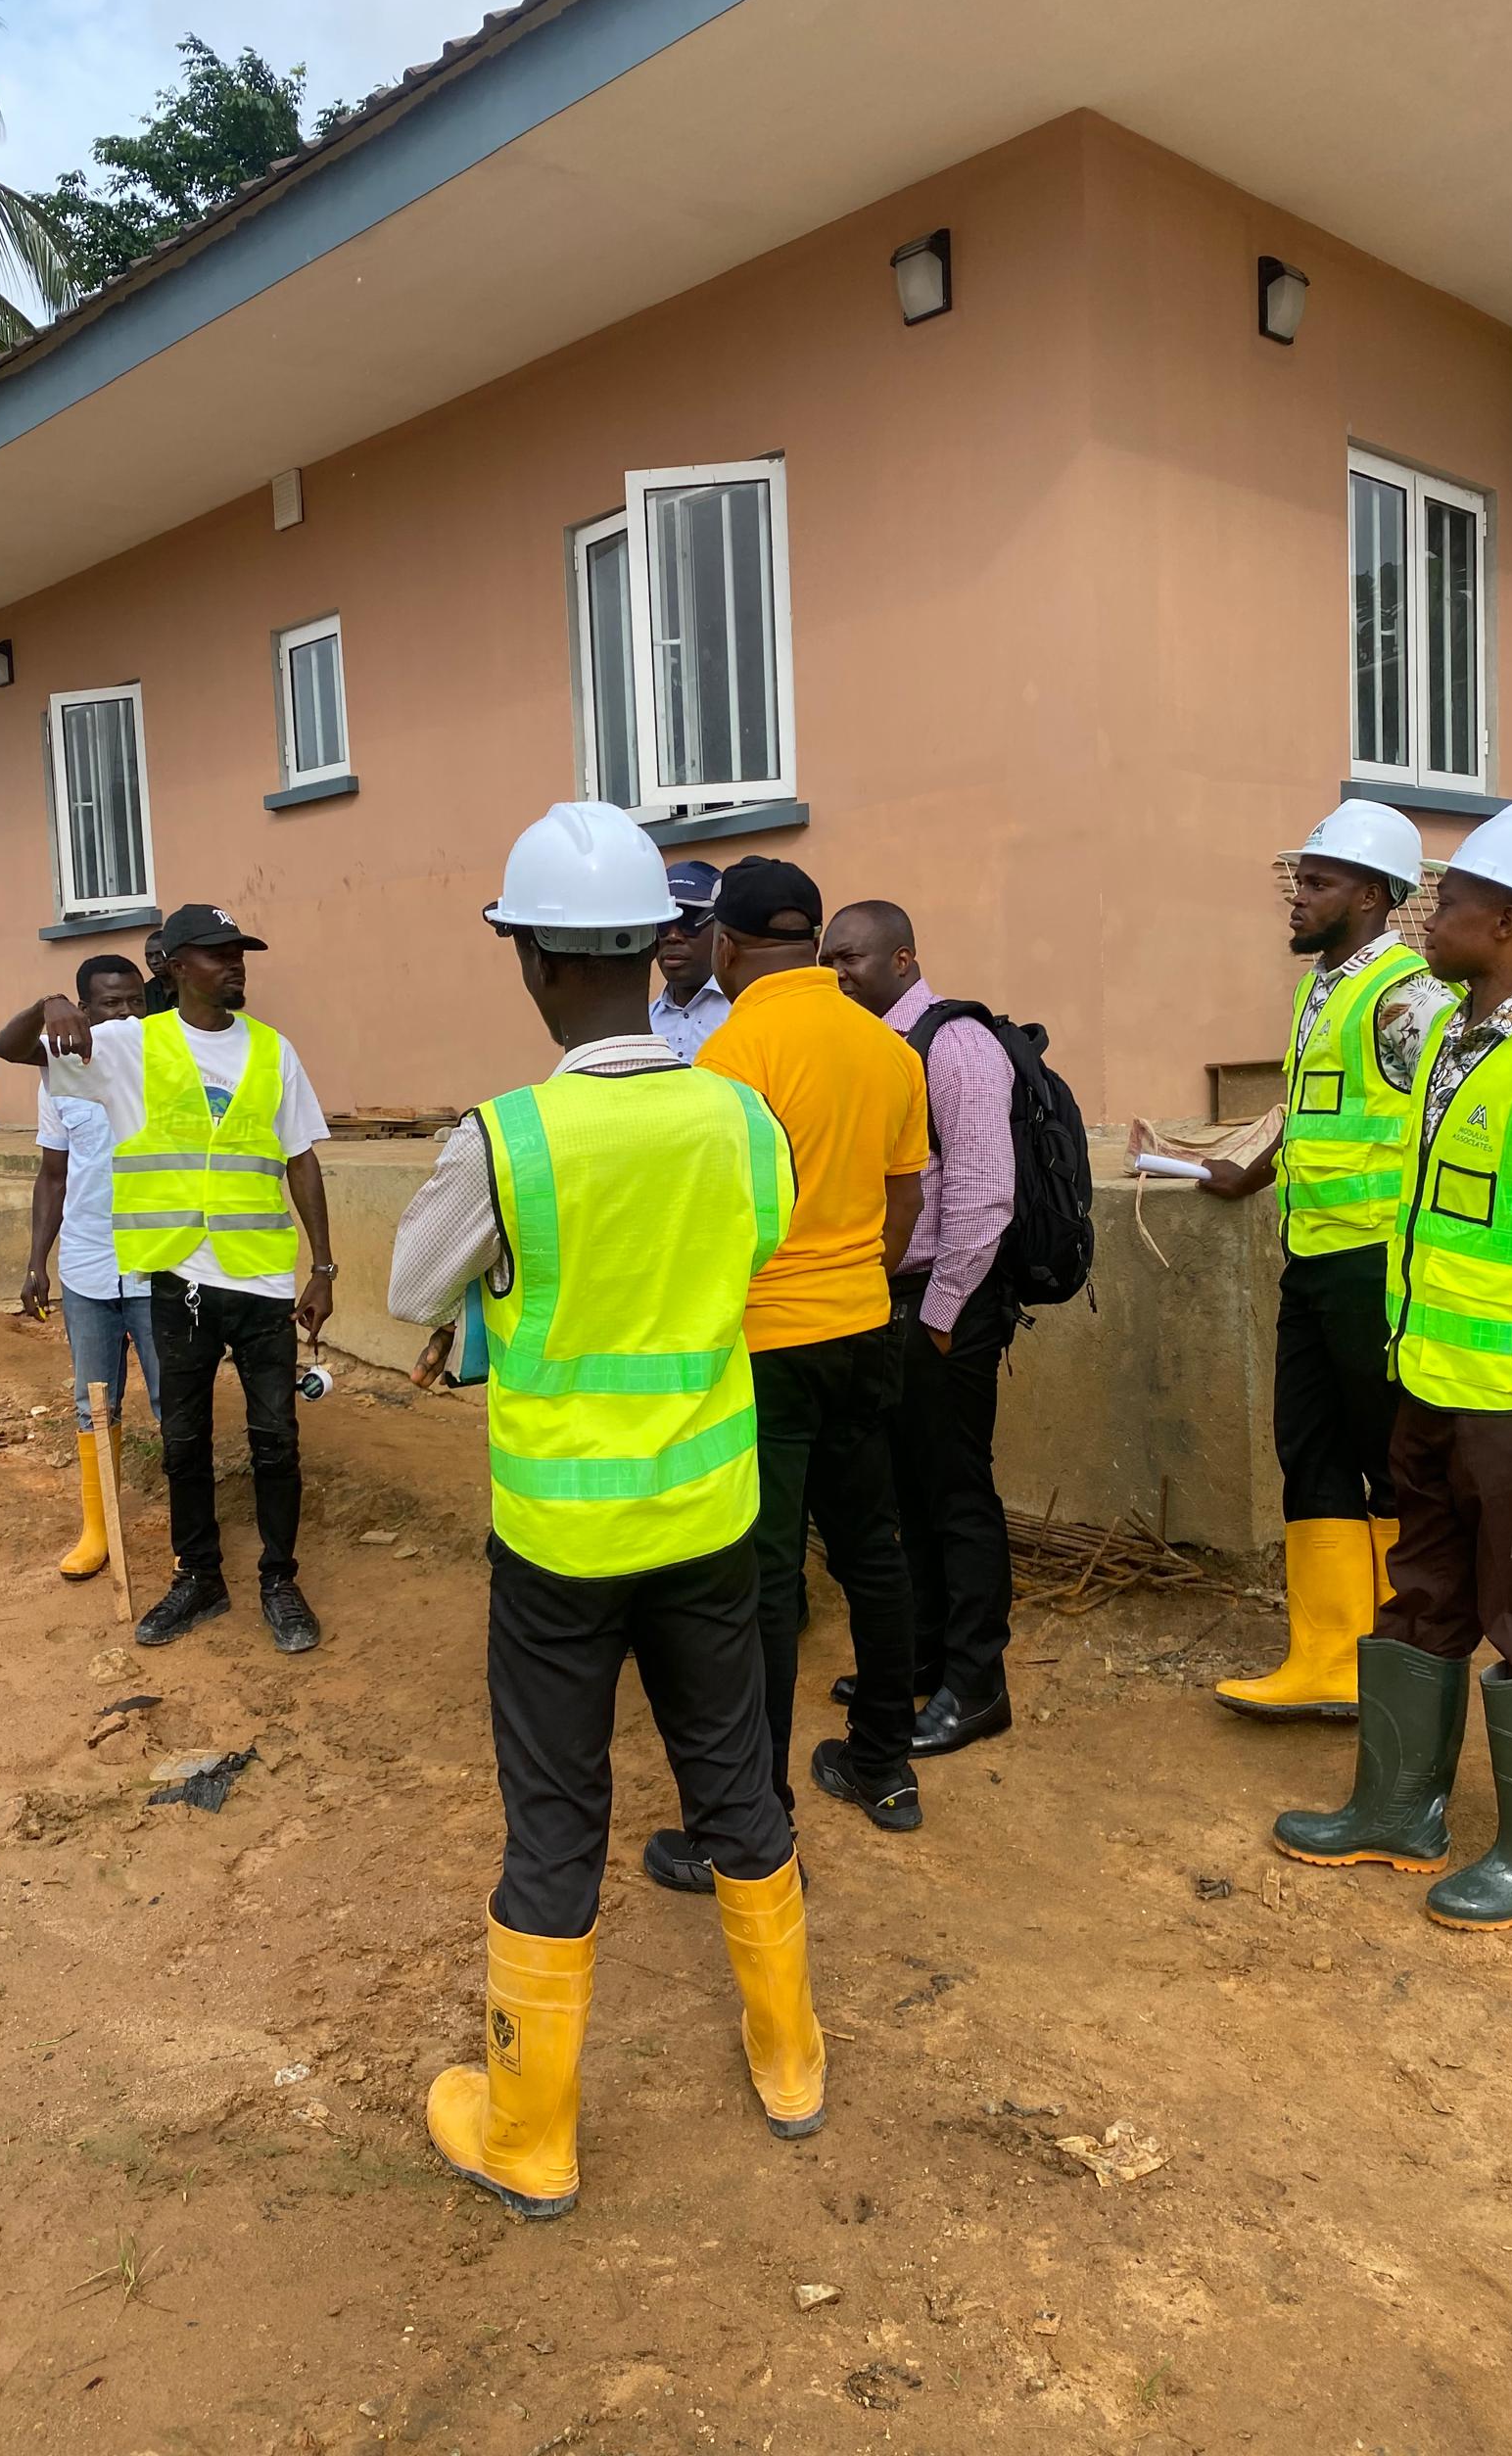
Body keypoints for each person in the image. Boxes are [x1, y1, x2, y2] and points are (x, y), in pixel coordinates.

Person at [387, 800, 822, 2220]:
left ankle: (530, 2137)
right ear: (661, 948)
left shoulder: (506, 1141)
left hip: (562, 1547)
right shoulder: (740, 1117)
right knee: (735, 1783)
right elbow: (759, 1241)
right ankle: (792, 2061)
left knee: (557, 1823)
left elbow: (410, 1295)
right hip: (709, 1522)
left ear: (530, 963)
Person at [1274, 802, 1512, 1930]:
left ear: (1508, 923)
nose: (1426, 914)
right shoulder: (1447, 1036)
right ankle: (1401, 1810)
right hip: (1430, 1382)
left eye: (1449, 901)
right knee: (1423, 1595)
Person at [644, 855, 930, 1893]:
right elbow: (905, 1208)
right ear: (813, 940)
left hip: (766, 1344)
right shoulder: (888, 1047)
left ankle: (750, 1814)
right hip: (863, 1325)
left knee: (762, 1581)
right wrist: (856, 1277)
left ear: (725, 943)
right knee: (872, 1548)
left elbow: (709, 1213)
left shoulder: (730, 1053)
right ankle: (884, 1763)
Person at [0, 904, 337, 1656]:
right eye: (218, 954)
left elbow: (301, 1158)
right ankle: (200, 1577)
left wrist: (323, 1267)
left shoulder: (274, 1051)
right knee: (184, 1441)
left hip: (263, 1281)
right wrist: (48, 1005)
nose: (236, 964)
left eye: (240, 952)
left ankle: (279, 1580)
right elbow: (13, 1048)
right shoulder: (126, 1046)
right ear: (175, 968)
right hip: (176, 1279)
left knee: (276, 1439)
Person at [1203, 805, 1450, 1717]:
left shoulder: (1408, 998)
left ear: (1373, 895)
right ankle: (1325, 1660)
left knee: (1389, 1460)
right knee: (1305, 1446)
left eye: (1316, 884)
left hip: (1377, 1267)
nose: (1295, 900)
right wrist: (1251, 1169)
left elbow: (1455, 1121)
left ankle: (1399, 1658)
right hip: (1311, 1258)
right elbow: (1316, 1116)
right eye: (1299, 881)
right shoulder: (1324, 989)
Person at [820, 900, 1018, 1756]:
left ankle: (978, 1687)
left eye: (851, 959)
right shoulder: (873, 1050)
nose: (835, 974)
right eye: (827, 959)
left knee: (956, 1497)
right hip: (892, 1303)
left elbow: (983, 1199)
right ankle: (923, 1659)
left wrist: (938, 1318)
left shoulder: (955, 1046)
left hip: (949, 1306)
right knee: (905, 1497)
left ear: (902, 959)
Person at [22, 952, 162, 1580]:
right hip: (87, 1268)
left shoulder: (164, 1065)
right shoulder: (56, 1074)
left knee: (175, 1402)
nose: (126, 1014)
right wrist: (35, 1264)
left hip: (159, 1264)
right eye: (110, 1003)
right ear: (83, 1009)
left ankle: (193, 1532)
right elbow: (52, 1177)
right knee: (93, 1403)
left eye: (135, 1000)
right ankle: (96, 1529)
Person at [647, 859, 731, 1063]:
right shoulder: (644, 1025)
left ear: (721, 927)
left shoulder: (740, 1013)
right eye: (663, 923)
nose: (673, 936)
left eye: (688, 921)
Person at [142, 927, 177, 1015]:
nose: (154, 961)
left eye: (160, 954)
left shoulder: (191, 989)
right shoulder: (144, 992)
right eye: (149, 956)